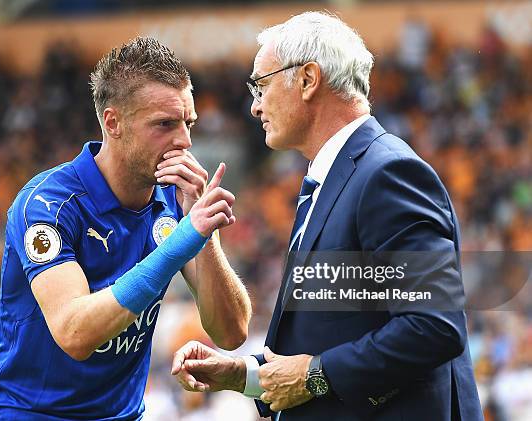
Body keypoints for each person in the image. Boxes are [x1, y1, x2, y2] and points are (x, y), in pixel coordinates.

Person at [171, 12, 483, 421]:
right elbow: (333, 338)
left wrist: (314, 377)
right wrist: (243, 374)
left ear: (307, 79)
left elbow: (434, 326)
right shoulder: (332, 180)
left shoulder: (386, 173)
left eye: (261, 85)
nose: (254, 106)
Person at [0, 37, 252, 420]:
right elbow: (75, 334)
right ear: (113, 122)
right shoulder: (48, 205)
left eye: (188, 123)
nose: (185, 141)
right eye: (165, 124)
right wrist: (181, 242)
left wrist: (201, 236)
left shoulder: (178, 199)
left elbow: (231, 332)